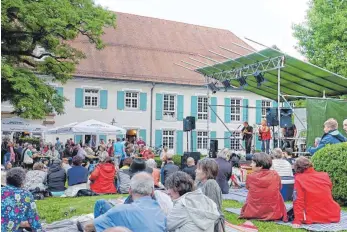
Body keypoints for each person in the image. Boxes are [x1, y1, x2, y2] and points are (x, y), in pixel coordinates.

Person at [83, 172, 166, 232]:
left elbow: (88, 227)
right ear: (152, 191)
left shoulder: (121, 211)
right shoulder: (161, 212)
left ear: (129, 191)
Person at [292, 157, 341, 228]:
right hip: (332, 214)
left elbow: (298, 200)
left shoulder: (299, 178)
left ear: (297, 168)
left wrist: (297, 220)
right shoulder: (325, 175)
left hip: (312, 216)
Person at [240, 153, 288, 221]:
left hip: (253, 211)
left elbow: (247, 187)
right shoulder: (275, 174)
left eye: (253, 163)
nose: (251, 165)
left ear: (261, 166)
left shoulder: (250, 176)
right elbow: (280, 187)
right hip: (273, 211)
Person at [195, 158, 224, 231]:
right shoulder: (200, 183)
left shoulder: (211, 184)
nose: (196, 171)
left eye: (198, 169)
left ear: (206, 172)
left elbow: (213, 211)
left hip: (210, 225)